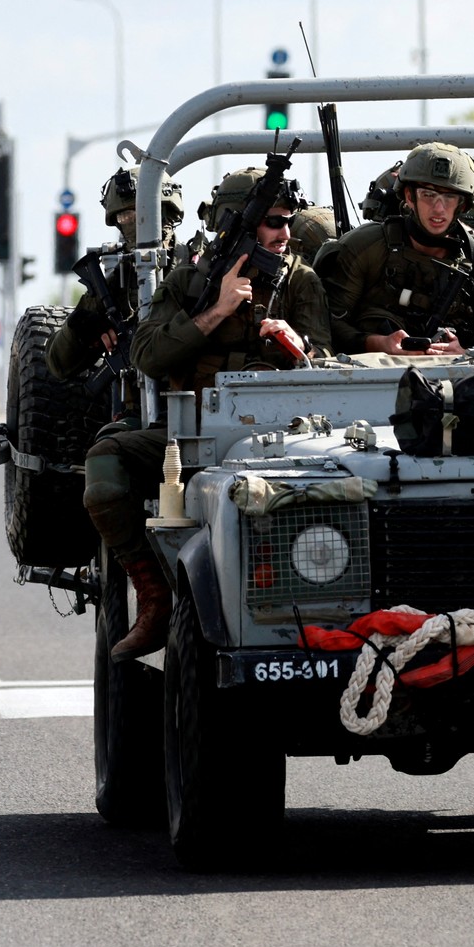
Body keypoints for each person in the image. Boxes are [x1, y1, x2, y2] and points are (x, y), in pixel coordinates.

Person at [81, 165, 331, 662]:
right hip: (191, 437)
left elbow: (327, 366)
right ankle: (153, 598)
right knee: (105, 462)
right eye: (274, 223)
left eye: (288, 222)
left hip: (282, 441)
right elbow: (147, 356)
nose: (285, 235)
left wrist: (295, 345)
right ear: (236, 224)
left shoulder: (300, 283)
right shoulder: (186, 281)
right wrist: (216, 310)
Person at [315, 142, 474, 357]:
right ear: (410, 197)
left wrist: (465, 354)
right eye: (428, 195)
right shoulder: (366, 247)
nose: (438, 208)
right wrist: (376, 343)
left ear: (463, 205)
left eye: (449, 197)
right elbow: (325, 325)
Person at [46, 166, 185, 390]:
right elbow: (58, 363)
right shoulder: (119, 283)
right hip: (136, 413)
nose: (136, 223)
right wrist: (81, 328)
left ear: (167, 212)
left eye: (143, 214)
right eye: (126, 216)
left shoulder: (200, 268)